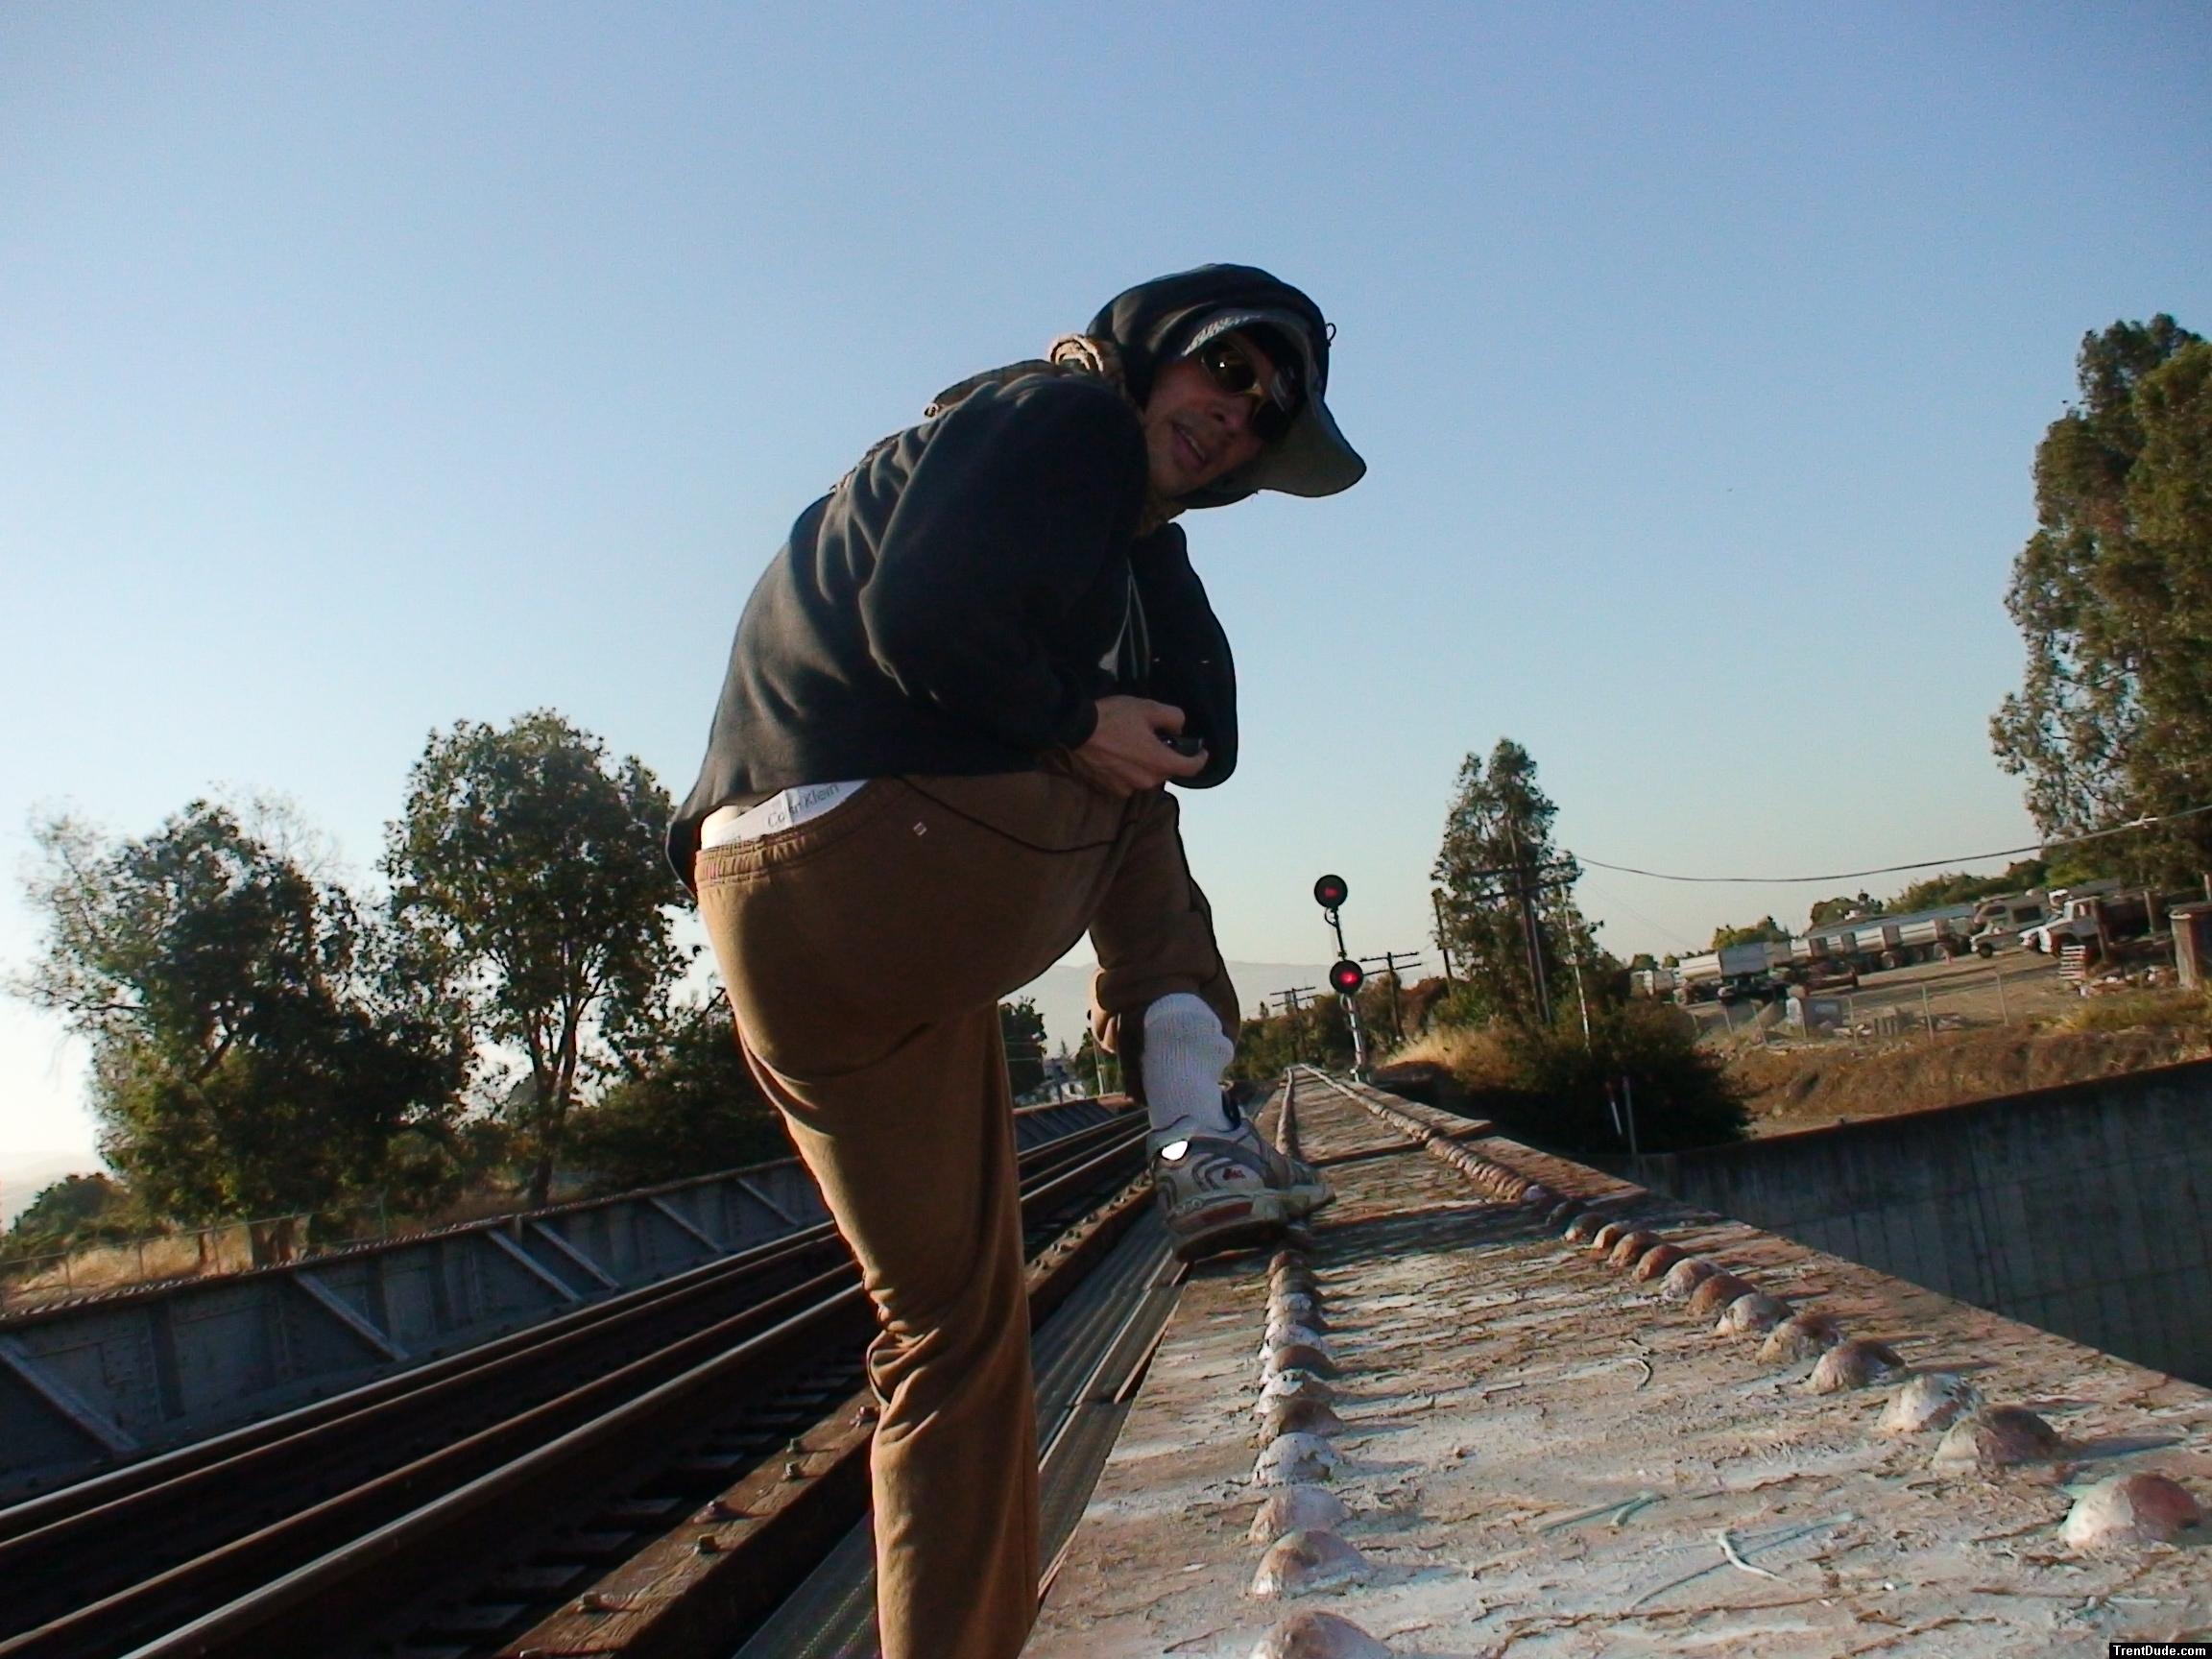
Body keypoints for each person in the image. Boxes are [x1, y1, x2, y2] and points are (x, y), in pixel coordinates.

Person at [670, 264, 1365, 1659]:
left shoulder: (1055, 483)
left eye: (1268, 413)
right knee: (1132, 773)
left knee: (948, 1335)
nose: (1240, 416)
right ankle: (1194, 1130)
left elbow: (1208, 721)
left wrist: (1158, 536)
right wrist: (1076, 719)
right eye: (1226, 371)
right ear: (1149, 348)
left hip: (766, 912)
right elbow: (928, 622)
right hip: (881, 842)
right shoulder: (1056, 415)